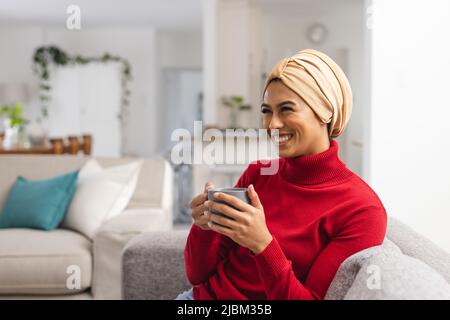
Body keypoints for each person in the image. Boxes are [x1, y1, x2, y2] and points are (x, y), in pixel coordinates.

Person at [178, 49, 387, 300]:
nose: (272, 124)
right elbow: (198, 276)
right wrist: (204, 228)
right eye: (267, 111)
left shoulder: (362, 209)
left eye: (286, 109)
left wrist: (262, 244)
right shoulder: (258, 174)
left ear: (327, 112)